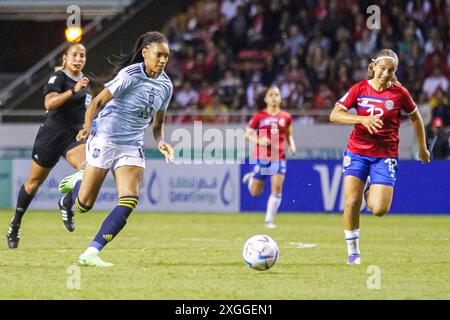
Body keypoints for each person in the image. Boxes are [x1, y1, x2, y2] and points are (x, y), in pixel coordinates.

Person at [57, 31, 174, 267]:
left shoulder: (166, 86)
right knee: (84, 206)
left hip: (131, 145)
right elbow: (97, 102)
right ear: (145, 53)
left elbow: (158, 124)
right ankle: (74, 189)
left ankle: (91, 252)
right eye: (158, 55)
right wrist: (88, 127)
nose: (162, 61)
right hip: (105, 138)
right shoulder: (129, 75)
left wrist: (160, 141)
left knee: (129, 199)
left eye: (166, 57)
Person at [329, 49, 430, 265]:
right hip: (357, 151)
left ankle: (369, 189)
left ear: (395, 72)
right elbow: (334, 115)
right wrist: (361, 120)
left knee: (379, 210)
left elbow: (416, 118)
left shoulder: (400, 94)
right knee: (352, 201)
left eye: (390, 70)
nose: (385, 73)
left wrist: (422, 148)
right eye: (382, 68)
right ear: (374, 66)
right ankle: (353, 251)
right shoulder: (359, 89)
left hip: (385, 156)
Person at [6, 43, 90, 249]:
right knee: (33, 183)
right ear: (65, 58)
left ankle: (67, 202)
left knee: (92, 167)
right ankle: (15, 224)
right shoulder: (59, 78)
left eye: (82, 55)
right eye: (75, 55)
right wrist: (73, 90)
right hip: (51, 136)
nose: (78, 59)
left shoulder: (87, 82)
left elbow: (90, 108)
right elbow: (49, 103)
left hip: (73, 137)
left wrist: (88, 126)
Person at [242, 86, 296, 228]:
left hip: (279, 157)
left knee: (277, 187)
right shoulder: (259, 116)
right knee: (255, 192)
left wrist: (292, 145)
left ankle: (269, 220)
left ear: (280, 98)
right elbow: (247, 134)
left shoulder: (286, 117)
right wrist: (259, 141)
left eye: (277, 94)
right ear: (265, 99)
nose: (274, 97)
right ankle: (252, 178)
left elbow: (289, 134)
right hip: (261, 156)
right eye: (271, 95)